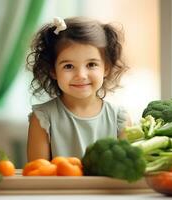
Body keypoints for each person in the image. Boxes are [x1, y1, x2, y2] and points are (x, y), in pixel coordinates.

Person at [26, 16, 131, 162]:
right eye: (68, 66)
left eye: (91, 64)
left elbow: (126, 170)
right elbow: (38, 175)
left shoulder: (120, 119)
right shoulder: (42, 118)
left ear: (106, 68)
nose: (81, 75)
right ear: (53, 71)